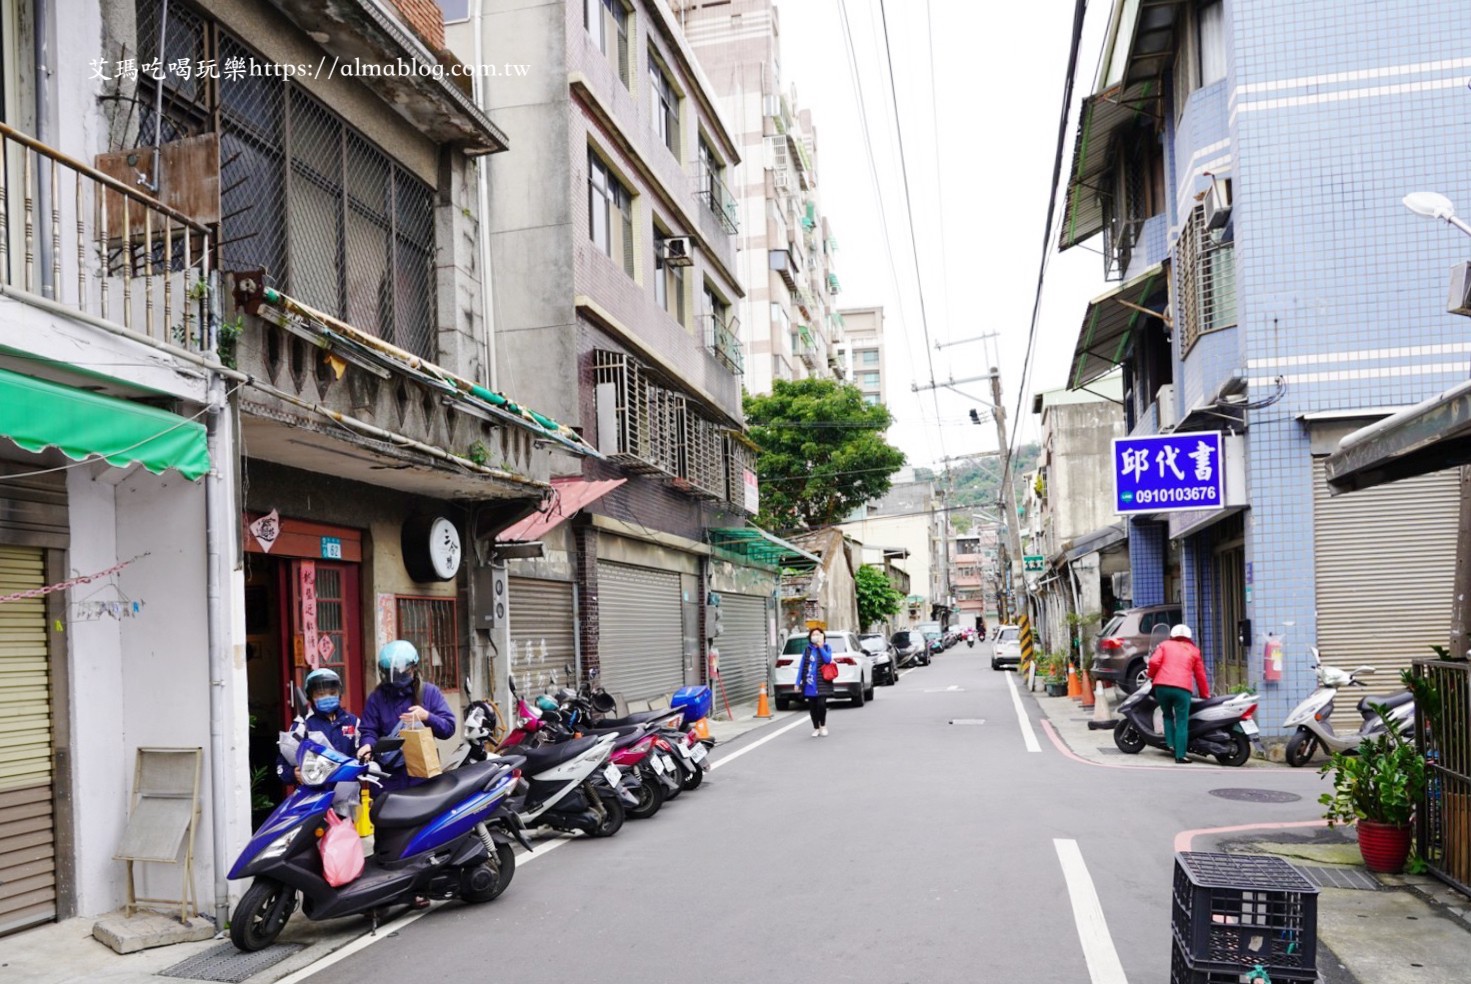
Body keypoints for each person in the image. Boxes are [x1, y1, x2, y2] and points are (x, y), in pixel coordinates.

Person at [357, 640, 457, 791]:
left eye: (401, 674)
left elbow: (448, 728)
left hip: (423, 776)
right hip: (389, 777)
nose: (396, 679)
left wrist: (427, 717)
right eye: (391, 674)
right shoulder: (377, 697)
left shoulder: (429, 693)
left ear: (413, 669)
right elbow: (369, 730)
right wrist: (366, 745)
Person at [274, 667, 360, 791]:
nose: (327, 697)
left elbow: (363, 756)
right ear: (310, 697)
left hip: (348, 796)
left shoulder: (353, 722)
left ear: (339, 693)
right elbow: (283, 763)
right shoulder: (302, 724)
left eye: (332, 693)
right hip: (315, 796)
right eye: (320, 694)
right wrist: (293, 774)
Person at [1146, 624, 1210, 764]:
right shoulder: (1194, 651)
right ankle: (1180, 755)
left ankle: (1170, 744)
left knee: (1167, 715)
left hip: (1161, 687)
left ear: (1172, 635)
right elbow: (1200, 676)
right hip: (1182, 689)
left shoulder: (1164, 645)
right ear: (1189, 637)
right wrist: (1205, 695)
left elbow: (1153, 661)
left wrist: (1151, 676)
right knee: (1181, 721)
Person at [795, 628, 835, 737]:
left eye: (818, 634)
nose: (815, 636)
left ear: (822, 636)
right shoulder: (807, 650)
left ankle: (823, 725)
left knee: (821, 704)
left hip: (822, 682)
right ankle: (816, 728)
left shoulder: (826, 647)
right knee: (812, 707)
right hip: (809, 682)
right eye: (813, 634)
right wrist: (797, 682)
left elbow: (827, 659)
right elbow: (802, 666)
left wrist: (820, 647)